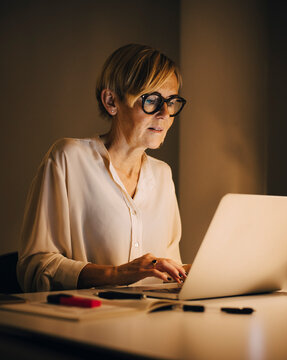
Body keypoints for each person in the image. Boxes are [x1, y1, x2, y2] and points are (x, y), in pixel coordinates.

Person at [17, 44, 189, 292]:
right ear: (111, 101)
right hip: (83, 323)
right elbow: (35, 266)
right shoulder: (68, 158)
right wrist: (116, 274)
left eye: (171, 101)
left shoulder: (163, 175)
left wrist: (189, 273)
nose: (164, 113)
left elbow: (165, 273)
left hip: (152, 323)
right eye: (152, 100)